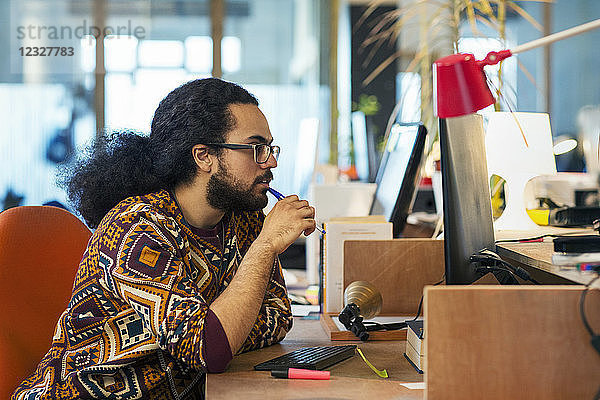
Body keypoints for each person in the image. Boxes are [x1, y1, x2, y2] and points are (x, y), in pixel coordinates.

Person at [12, 78, 316, 399]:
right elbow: (210, 349)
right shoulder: (138, 227)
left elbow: (279, 316)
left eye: (269, 147)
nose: (271, 161)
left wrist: (220, 326)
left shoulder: (244, 218)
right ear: (203, 156)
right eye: (256, 148)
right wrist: (265, 248)